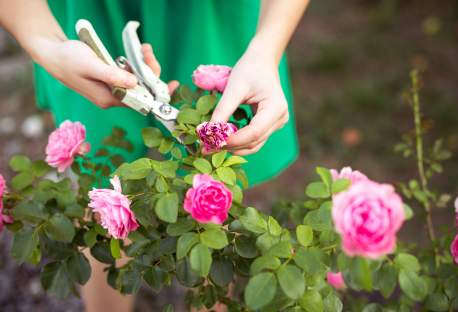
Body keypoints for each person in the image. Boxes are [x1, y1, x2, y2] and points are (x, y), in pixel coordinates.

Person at [0, 0, 309, 311]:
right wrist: (47, 44)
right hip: (92, 8)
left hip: (209, 15)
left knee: (214, 204)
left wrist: (265, 49)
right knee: (101, 197)